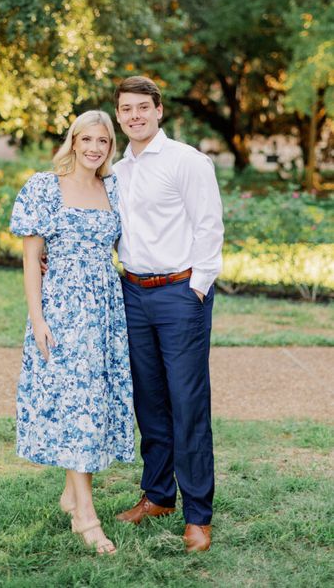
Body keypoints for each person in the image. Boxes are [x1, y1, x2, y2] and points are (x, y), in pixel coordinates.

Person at [10, 110, 134, 555]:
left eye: (103, 141)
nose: (95, 148)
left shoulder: (113, 186)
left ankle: (71, 493)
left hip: (105, 306)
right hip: (62, 307)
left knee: (93, 399)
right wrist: (38, 319)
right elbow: (31, 260)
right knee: (77, 402)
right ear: (73, 140)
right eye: (88, 140)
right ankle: (86, 515)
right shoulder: (45, 186)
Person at [112, 76, 224, 553]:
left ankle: (198, 514)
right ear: (118, 116)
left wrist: (197, 289)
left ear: (159, 111)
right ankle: (158, 495)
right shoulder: (116, 171)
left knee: (187, 403)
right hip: (132, 293)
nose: (134, 116)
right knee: (150, 401)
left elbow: (209, 226)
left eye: (142, 107)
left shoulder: (187, 161)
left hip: (181, 293)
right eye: (126, 109)